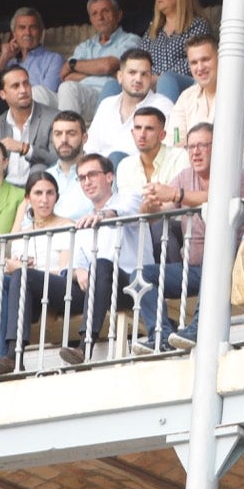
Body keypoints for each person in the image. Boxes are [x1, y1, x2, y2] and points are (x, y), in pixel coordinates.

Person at [138, 121, 244, 350]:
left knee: (214, 264)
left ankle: (197, 331)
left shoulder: (234, 175)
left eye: (203, 145)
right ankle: (161, 335)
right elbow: (158, 213)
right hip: (192, 268)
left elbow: (217, 198)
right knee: (142, 276)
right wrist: (149, 205)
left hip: (230, 267)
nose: (196, 152)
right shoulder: (184, 176)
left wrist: (174, 193)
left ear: (217, 147)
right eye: (191, 147)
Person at [59, 153, 169, 361]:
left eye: (92, 174)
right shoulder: (85, 221)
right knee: (27, 278)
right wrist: (77, 271)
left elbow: (126, 212)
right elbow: (73, 266)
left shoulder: (129, 197)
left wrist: (101, 216)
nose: (87, 182)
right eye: (82, 178)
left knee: (101, 264)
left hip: (134, 286)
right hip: (97, 290)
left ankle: (84, 346)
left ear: (109, 177)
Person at [0, 169, 77, 375]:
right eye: (38, 193)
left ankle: (15, 356)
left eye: (50, 193)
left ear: (56, 197)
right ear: (28, 198)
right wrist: (16, 268)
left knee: (22, 275)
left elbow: (63, 272)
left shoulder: (67, 225)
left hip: (58, 290)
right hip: (28, 294)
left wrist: (27, 271)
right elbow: (12, 265)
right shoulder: (23, 234)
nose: (44, 200)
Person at [168, 33, 244, 149]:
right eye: (194, 63)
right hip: (192, 165)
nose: (200, 68)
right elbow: (175, 143)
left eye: (205, 59)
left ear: (220, 58)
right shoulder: (185, 97)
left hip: (235, 165)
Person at [56, 0, 141, 121]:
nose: (100, 17)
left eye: (105, 11)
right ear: (91, 20)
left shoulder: (131, 40)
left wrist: (72, 65)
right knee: (38, 93)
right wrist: (102, 72)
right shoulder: (84, 46)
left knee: (68, 89)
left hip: (107, 95)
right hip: (78, 96)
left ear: (119, 15)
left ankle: (69, 136)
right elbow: (67, 77)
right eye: (94, 13)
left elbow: (108, 65)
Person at [87, 48, 176, 164]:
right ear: (120, 76)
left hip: (140, 173)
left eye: (144, 74)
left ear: (151, 78)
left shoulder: (162, 106)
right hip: (101, 173)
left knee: (116, 157)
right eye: (132, 73)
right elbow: (90, 148)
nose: (138, 79)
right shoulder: (106, 105)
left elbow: (167, 151)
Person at [139, 0, 212, 100]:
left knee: (167, 79)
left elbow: (198, 59)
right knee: (116, 84)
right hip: (150, 85)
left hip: (186, 84)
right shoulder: (153, 30)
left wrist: (159, 78)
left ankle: (165, 120)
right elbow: (140, 58)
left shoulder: (197, 25)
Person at [0, 64, 54, 188]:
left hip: (35, 189)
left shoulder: (52, 118)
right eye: (16, 86)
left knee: (39, 168)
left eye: (26, 84)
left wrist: (24, 148)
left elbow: (58, 158)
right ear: (3, 94)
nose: (23, 90)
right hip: (3, 188)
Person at [0, 6, 65, 109]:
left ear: (41, 32)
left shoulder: (54, 59)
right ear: (14, 34)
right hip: (9, 113)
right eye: (22, 27)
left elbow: (45, 95)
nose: (27, 33)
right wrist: (4, 57)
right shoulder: (10, 63)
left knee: (37, 92)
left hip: (39, 114)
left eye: (33, 27)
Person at [115, 107, 186, 196]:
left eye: (149, 129)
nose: (142, 135)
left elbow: (182, 200)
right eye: (138, 128)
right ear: (132, 133)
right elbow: (128, 206)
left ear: (162, 135)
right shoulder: (125, 166)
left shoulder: (179, 157)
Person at [43, 110, 93, 219]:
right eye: (58, 134)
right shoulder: (45, 177)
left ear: (84, 138)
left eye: (71, 133)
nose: (64, 140)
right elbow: (29, 221)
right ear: (52, 138)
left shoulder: (99, 172)